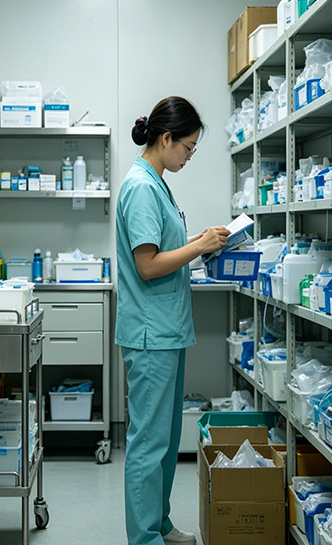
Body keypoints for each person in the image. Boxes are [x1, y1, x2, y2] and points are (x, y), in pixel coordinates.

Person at [116, 96, 229, 545]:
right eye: (188, 147)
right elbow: (147, 265)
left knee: (162, 441)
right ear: (165, 139)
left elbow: (164, 247)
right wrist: (198, 247)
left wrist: (199, 239)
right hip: (150, 334)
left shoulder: (157, 181)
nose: (189, 156)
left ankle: (159, 525)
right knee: (148, 444)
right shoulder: (141, 186)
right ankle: (144, 538)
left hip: (166, 329)